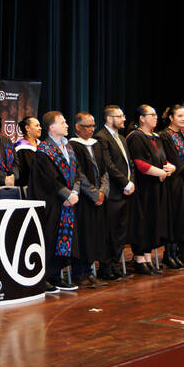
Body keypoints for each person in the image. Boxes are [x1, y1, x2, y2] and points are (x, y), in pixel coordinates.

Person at [28, 111, 89, 293]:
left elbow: (77, 171)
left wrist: (75, 192)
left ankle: (57, 276)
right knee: (49, 238)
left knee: (64, 239)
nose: (67, 125)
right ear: (52, 128)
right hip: (52, 202)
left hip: (68, 202)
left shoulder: (68, 147)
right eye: (63, 122)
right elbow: (49, 180)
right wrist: (66, 195)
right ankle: (44, 277)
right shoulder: (43, 151)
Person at [125, 105, 173, 275]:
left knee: (154, 221)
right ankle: (139, 259)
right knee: (143, 221)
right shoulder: (136, 137)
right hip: (144, 187)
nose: (155, 117)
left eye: (155, 114)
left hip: (157, 186)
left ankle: (147, 256)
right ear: (141, 118)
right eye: (151, 115)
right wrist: (160, 172)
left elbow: (162, 158)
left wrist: (169, 168)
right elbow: (139, 163)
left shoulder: (156, 137)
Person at [94, 105, 135, 280]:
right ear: (110, 118)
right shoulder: (101, 137)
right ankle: (106, 266)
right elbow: (108, 165)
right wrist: (125, 183)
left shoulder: (122, 138)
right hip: (113, 191)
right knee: (109, 230)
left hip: (125, 191)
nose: (124, 119)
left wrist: (131, 181)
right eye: (120, 116)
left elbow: (128, 163)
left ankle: (115, 264)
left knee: (120, 231)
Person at [69, 112, 108, 287]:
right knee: (84, 235)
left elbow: (105, 171)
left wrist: (103, 192)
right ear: (77, 127)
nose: (91, 130)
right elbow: (78, 174)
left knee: (94, 235)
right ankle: (80, 273)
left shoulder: (97, 145)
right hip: (84, 200)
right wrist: (94, 193)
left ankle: (90, 271)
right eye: (87, 126)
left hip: (98, 199)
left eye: (93, 126)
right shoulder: (73, 146)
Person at [157, 105, 184, 269]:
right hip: (175, 182)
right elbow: (175, 159)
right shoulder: (166, 135)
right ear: (171, 118)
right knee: (174, 218)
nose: (183, 119)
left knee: (183, 219)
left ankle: (179, 252)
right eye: (179, 116)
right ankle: (169, 254)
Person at [13, 116, 41, 190]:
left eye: (39, 125)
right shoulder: (21, 148)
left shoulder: (42, 146)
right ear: (27, 128)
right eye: (37, 126)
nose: (40, 128)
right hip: (28, 189)